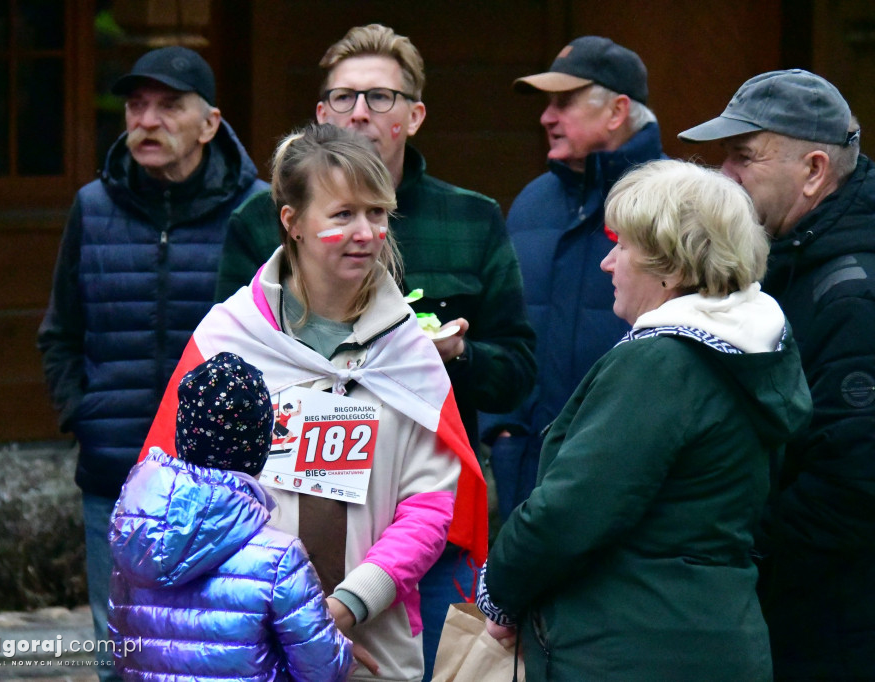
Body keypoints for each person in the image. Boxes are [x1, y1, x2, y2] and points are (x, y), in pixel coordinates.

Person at [215, 24, 534, 678]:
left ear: (414, 116)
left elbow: (518, 372)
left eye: (380, 97)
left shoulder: (471, 220)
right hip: (276, 543)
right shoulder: (255, 229)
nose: (359, 112)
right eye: (344, 97)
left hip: (419, 534)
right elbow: (231, 381)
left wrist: (456, 356)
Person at [139, 123, 488, 682]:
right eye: (343, 214)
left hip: (373, 648)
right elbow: (178, 500)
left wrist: (345, 608)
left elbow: (428, 510)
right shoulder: (228, 339)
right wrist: (286, 616)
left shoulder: (409, 353)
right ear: (292, 222)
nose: (366, 233)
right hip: (247, 643)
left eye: (377, 213)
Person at [476, 159, 813, 681]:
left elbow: (571, 511)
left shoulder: (660, 364)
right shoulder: (753, 353)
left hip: (628, 648)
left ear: (671, 268)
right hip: (712, 633)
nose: (607, 263)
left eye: (623, 246)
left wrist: (499, 590)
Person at [678, 69, 875, 680]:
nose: (725, 175)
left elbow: (852, 488)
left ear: (814, 171)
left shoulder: (855, 297)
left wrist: (734, 554)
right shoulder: (798, 260)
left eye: (744, 156)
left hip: (850, 637)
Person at [36, 45, 266, 679]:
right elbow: (60, 332)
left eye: (169, 106)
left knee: (223, 655)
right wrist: (83, 415)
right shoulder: (93, 207)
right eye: (137, 106)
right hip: (115, 473)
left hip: (228, 483)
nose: (147, 120)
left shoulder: (257, 210)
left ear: (210, 123)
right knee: (122, 656)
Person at [479, 36, 665, 522]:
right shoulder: (531, 202)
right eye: (547, 104)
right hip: (523, 473)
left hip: (628, 476)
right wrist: (500, 428)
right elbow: (501, 323)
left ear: (617, 110)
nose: (546, 117)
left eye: (564, 102)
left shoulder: (673, 205)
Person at [108, 352, 353, 681]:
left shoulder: (136, 537)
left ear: (183, 436)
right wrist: (342, 646)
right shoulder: (279, 558)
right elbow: (323, 670)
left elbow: (120, 647)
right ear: (261, 447)